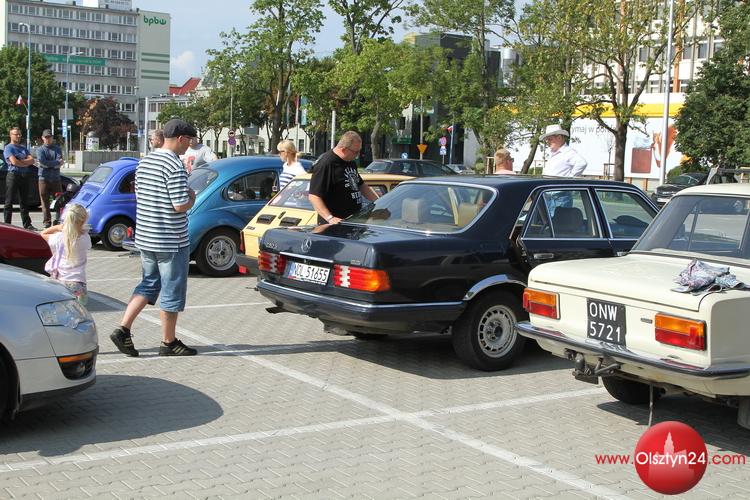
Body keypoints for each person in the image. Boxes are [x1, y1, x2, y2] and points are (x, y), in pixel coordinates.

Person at [110, 118, 198, 357]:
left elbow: (140, 195)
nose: (189, 145)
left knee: (148, 283)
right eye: (189, 140)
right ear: (180, 139)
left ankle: (123, 328)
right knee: (172, 290)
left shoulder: (145, 162)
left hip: (146, 236)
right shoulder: (174, 165)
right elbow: (180, 204)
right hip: (171, 239)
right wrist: (192, 197)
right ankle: (168, 342)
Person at [308, 131, 378, 224]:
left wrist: (379, 202)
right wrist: (330, 218)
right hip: (335, 226)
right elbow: (314, 196)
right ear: (343, 149)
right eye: (355, 152)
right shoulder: (326, 164)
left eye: (359, 151)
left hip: (353, 221)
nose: (358, 155)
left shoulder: (350, 162)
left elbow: (361, 185)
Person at [40, 203, 91, 305]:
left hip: (60, 281)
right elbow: (86, 240)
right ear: (83, 221)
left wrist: (57, 227)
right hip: (78, 283)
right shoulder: (85, 238)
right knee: (79, 311)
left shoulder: (58, 238)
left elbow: (43, 234)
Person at [3, 127, 36, 230]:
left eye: (19, 134)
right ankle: (7, 225)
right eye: (16, 134)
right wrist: (24, 162)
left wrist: (20, 162)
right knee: (9, 202)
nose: (18, 136)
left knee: (24, 202)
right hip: (13, 175)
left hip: (24, 176)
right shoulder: (8, 148)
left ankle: (27, 224)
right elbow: (14, 162)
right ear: (11, 135)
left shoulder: (23, 148)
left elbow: (32, 160)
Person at [36, 129, 64, 228]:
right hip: (43, 179)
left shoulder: (57, 149)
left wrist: (48, 164)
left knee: (59, 200)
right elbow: (42, 162)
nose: (48, 139)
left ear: (52, 138)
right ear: (43, 138)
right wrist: (55, 164)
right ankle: (47, 221)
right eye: (46, 137)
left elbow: (60, 162)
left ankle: (59, 220)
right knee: (45, 201)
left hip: (56, 179)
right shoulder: (40, 150)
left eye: (50, 137)